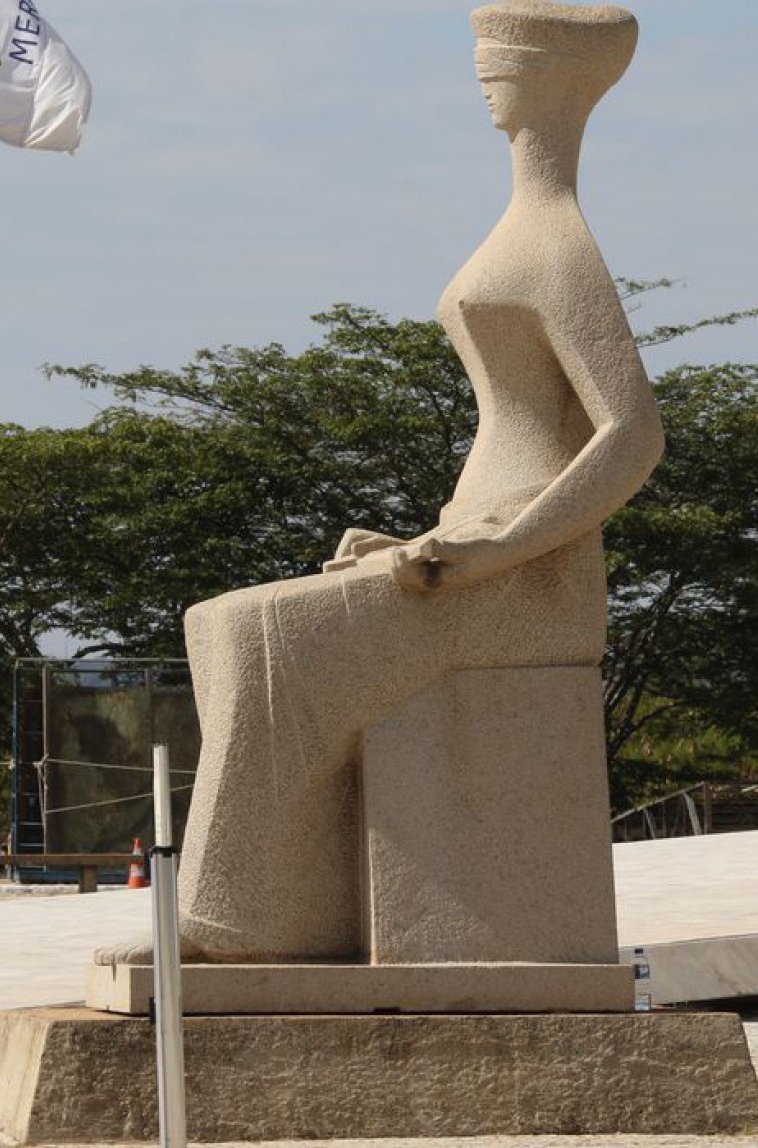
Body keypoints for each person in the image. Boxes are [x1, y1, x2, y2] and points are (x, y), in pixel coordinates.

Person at [169, 1, 658, 963]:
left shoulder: (561, 244)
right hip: (468, 545)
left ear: (557, 77)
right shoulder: (521, 229)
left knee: (262, 635)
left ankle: (237, 919)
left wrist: (495, 551)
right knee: (212, 621)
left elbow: (633, 435)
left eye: (502, 61)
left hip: (528, 576)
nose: (484, 76)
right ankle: (286, 906)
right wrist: (423, 541)